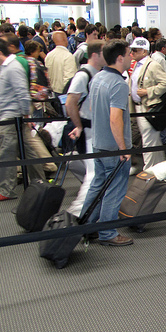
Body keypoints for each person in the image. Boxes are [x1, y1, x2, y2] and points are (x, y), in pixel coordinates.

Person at [0, 37, 47, 201]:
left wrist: (25, 116)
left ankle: (7, 190)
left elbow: (22, 94)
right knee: (29, 153)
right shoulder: (8, 67)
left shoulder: (12, 68)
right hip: (13, 117)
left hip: (12, 119)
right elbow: (9, 92)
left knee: (6, 155)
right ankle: (41, 183)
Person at [80, 39, 133, 246]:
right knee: (114, 188)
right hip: (113, 146)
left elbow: (94, 109)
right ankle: (108, 233)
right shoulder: (118, 84)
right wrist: (123, 148)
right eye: (128, 54)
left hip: (98, 142)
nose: (130, 58)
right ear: (120, 58)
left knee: (97, 185)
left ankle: (87, 226)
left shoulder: (97, 78)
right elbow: (115, 118)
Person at [64, 40, 105, 217]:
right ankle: (77, 214)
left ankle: (90, 210)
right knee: (93, 173)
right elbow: (70, 103)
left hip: (96, 130)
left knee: (97, 172)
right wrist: (79, 125)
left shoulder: (99, 73)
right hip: (88, 131)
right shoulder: (83, 75)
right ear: (95, 55)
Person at [128, 36, 166, 170]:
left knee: (149, 141)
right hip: (139, 107)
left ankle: (149, 170)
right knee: (151, 140)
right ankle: (158, 168)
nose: (132, 53)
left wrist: (148, 91)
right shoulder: (137, 65)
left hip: (148, 107)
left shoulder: (152, 65)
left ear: (144, 51)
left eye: (135, 50)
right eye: (132, 50)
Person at [44, 30, 77, 95]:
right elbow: (69, 79)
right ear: (65, 40)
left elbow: (47, 75)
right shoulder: (68, 56)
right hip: (63, 93)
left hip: (52, 92)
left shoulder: (49, 55)